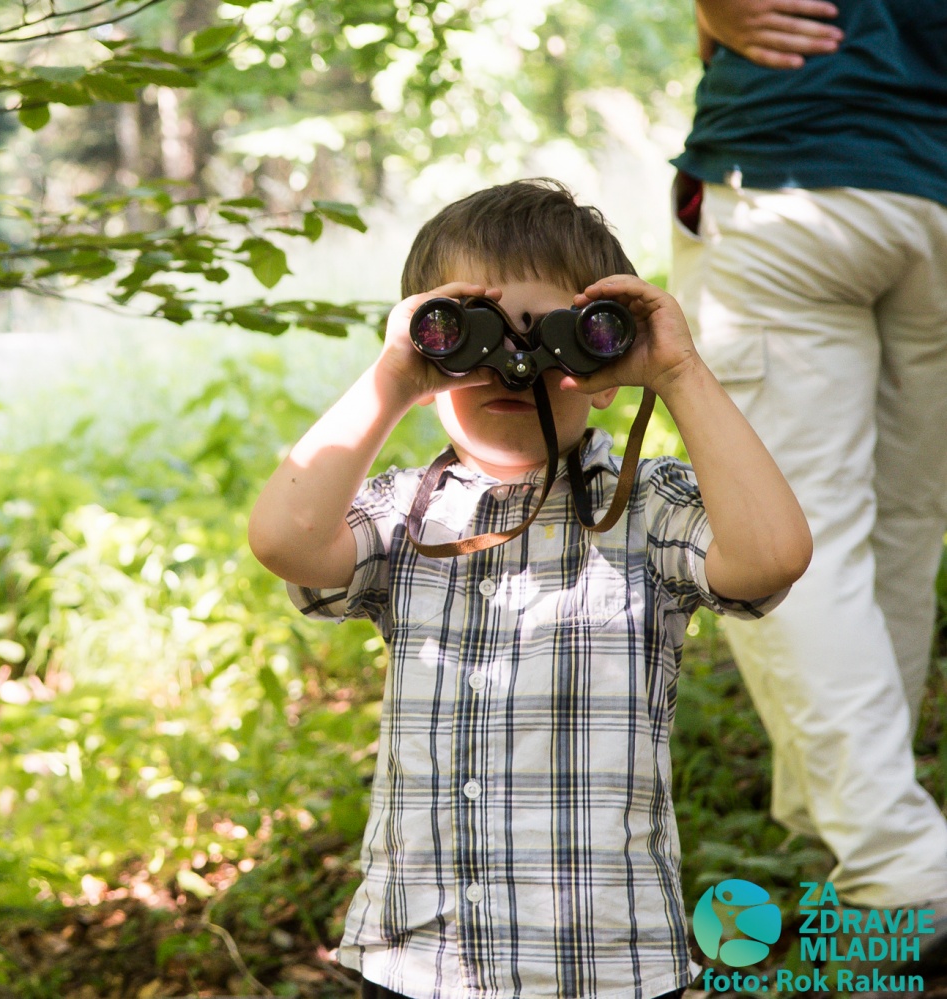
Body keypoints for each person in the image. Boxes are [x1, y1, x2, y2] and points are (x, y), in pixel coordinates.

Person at [248, 179, 812, 999]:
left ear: (607, 358)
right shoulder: (406, 514)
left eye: (558, 334)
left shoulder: (646, 507)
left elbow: (771, 556)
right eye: (465, 333)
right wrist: (392, 377)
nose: (511, 362)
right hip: (418, 961)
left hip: (606, 966)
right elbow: (284, 540)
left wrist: (679, 372)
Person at [669, 0, 947, 945]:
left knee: (787, 531)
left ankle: (898, 862)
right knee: (902, 526)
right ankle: (858, 820)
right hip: (933, 191)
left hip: (790, 165)